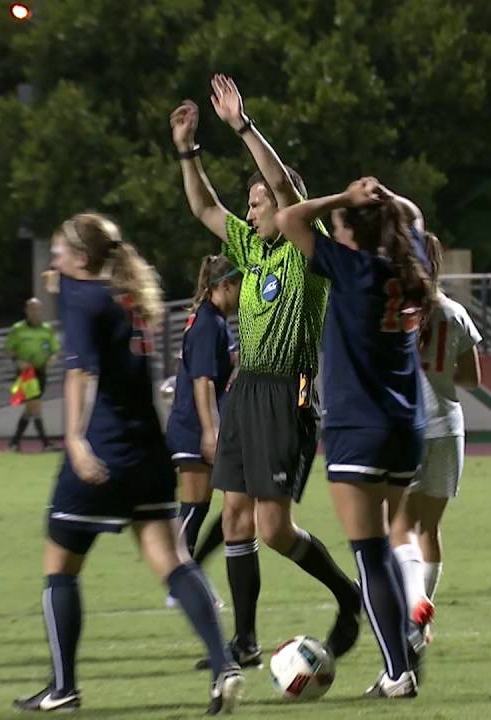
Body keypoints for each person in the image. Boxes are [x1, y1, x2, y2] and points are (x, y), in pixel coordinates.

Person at [15, 213, 242, 714]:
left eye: (58, 251)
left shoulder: (81, 298)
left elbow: (79, 373)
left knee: (60, 567)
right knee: (173, 560)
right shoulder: (130, 299)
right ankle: (223, 663)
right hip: (149, 454)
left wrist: (74, 440)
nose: (52, 260)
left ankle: (63, 687)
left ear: (79, 257)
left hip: (103, 451)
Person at [170, 75, 361, 669]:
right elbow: (203, 205)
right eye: (250, 206)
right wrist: (186, 151)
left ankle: (349, 597)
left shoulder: (308, 253)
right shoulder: (252, 251)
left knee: (275, 529)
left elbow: (281, 182)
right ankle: (246, 642)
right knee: (233, 516)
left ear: (287, 211)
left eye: (257, 205)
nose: (249, 213)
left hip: (288, 393)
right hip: (245, 389)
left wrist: (242, 126)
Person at [276, 177, 433, 698]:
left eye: (339, 225)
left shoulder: (352, 267)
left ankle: (397, 672)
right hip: (407, 425)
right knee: (389, 541)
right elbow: (412, 216)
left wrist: (343, 196)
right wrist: (388, 198)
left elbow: (289, 219)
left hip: (357, 425)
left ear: (348, 233)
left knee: (368, 552)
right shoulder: (412, 267)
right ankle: (405, 644)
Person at [389, 231, 483, 652]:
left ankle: (413, 606)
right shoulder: (456, 313)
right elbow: (473, 379)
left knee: (399, 528)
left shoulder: (398, 314)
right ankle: (422, 614)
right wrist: (441, 374)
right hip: (448, 425)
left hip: (409, 427)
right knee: (430, 528)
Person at [165, 255, 239, 597]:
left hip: (199, 423)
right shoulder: (209, 322)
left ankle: (189, 573)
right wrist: (211, 431)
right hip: (195, 426)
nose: (242, 294)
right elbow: (203, 381)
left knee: (227, 504)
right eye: (238, 286)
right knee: (194, 507)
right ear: (224, 286)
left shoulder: (213, 321)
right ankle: (178, 579)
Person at [5, 298, 60, 452]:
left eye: (38, 309)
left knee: (31, 408)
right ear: (27, 310)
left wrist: (52, 358)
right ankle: (46, 443)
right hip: (26, 373)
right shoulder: (18, 329)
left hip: (41, 371)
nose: (35, 312)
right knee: (35, 405)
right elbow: (8, 349)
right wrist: (17, 360)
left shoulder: (47, 329)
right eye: (32, 309)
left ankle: (14, 443)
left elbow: (54, 349)